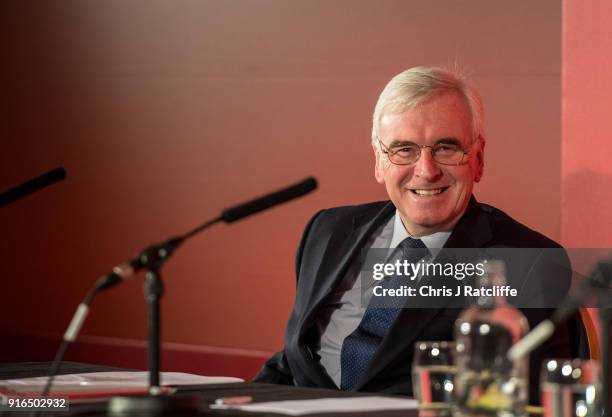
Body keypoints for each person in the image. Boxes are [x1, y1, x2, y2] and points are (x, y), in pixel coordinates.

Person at [254, 67, 585, 402]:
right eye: (404, 150)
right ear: (378, 161)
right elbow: (294, 360)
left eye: (446, 148)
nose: (426, 171)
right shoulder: (327, 232)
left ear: (479, 159)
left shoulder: (530, 264)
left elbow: (529, 401)